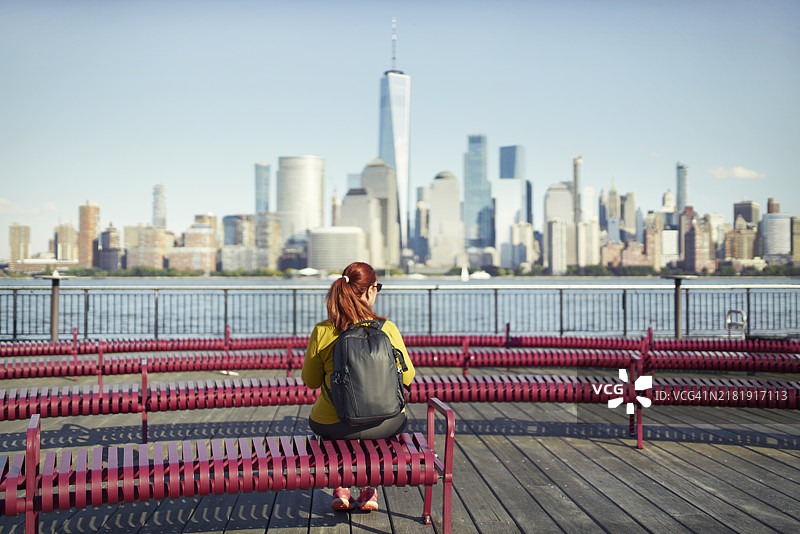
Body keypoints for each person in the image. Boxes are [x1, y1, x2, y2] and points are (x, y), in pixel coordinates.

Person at [301, 261, 415, 512]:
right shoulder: (387, 328)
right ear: (371, 290)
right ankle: (370, 489)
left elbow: (309, 381)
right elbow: (408, 377)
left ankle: (341, 487)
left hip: (335, 422)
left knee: (332, 428)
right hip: (386, 422)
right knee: (378, 429)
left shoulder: (323, 330)